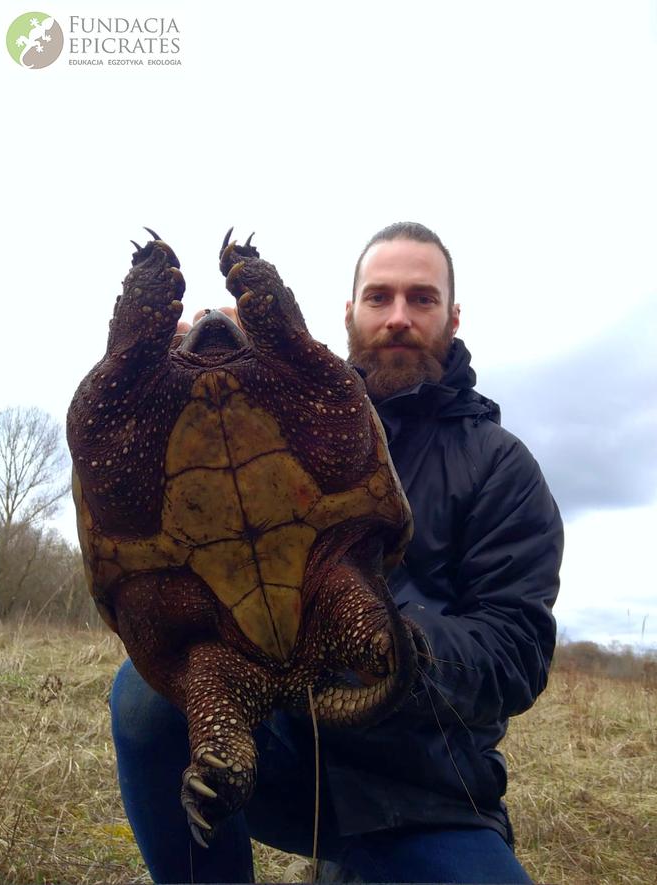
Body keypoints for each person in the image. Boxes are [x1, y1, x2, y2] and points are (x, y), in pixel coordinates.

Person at [110, 222, 563, 883]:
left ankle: (352, 866)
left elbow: (517, 649)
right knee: (146, 696)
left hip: (425, 792)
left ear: (454, 316)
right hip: (283, 747)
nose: (399, 317)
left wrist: (394, 644)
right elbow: (142, 499)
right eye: (379, 297)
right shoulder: (283, 407)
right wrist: (180, 371)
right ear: (349, 313)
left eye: (422, 298)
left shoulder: (501, 468)